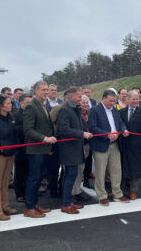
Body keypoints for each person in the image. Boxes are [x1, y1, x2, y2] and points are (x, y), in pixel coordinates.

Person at [88, 89, 130, 205]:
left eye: (114, 101)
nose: (112, 103)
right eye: (111, 101)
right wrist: (107, 135)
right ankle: (102, 195)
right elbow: (92, 128)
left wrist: (124, 130)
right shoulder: (94, 110)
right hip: (101, 145)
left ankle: (118, 193)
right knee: (100, 172)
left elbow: (120, 123)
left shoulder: (115, 110)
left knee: (116, 170)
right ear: (103, 98)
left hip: (115, 145)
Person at [57, 87, 92, 214]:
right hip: (69, 149)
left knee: (71, 175)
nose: (81, 99)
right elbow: (63, 129)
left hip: (75, 148)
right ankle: (66, 204)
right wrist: (82, 133)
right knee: (70, 175)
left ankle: (67, 201)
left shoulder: (74, 108)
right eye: (78, 97)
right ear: (71, 96)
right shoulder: (65, 109)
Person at [23, 81, 56, 218]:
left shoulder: (42, 105)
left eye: (47, 89)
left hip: (42, 149)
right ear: (36, 91)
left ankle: (34, 204)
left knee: (37, 178)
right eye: (43, 90)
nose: (46, 92)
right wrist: (45, 139)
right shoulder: (31, 106)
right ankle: (29, 208)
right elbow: (28, 130)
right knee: (34, 178)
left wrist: (47, 145)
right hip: (35, 150)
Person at [119, 90, 141, 200]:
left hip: (136, 144)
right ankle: (122, 188)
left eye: (137, 99)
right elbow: (119, 124)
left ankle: (133, 190)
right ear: (127, 100)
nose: (136, 101)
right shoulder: (121, 112)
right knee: (123, 167)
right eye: (133, 99)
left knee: (135, 169)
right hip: (123, 144)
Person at [13, 93, 32, 203]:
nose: (29, 105)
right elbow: (18, 132)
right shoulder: (17, 115)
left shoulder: (30, 114)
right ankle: (19, 193)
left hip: (31, 148)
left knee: (29, 172)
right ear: (21, 103)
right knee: (20, 172)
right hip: (21, 149)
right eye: (27, 103)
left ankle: (26, 191)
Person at [73, 95, 91, 201]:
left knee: (81, 170)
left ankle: (78, 191)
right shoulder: (76, 114)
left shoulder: (88, 114)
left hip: (86, 145)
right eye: (82, 103)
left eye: (86, 103)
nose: (84, 105)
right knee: (75, 171)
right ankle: (73, 193)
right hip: (78, 145)